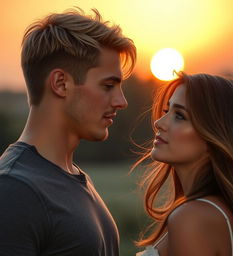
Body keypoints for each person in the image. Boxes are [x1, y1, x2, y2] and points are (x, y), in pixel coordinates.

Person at [0, 8, 136, 255]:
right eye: (108, 86)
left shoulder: (74, 177)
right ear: (61, 83)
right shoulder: (13, 189)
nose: (121, 101)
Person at [134, 73, 233, 256]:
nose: (159, 123)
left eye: (180, 116)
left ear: (216, 134)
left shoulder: (192, 219)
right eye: (167, 111)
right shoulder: (219, 212)